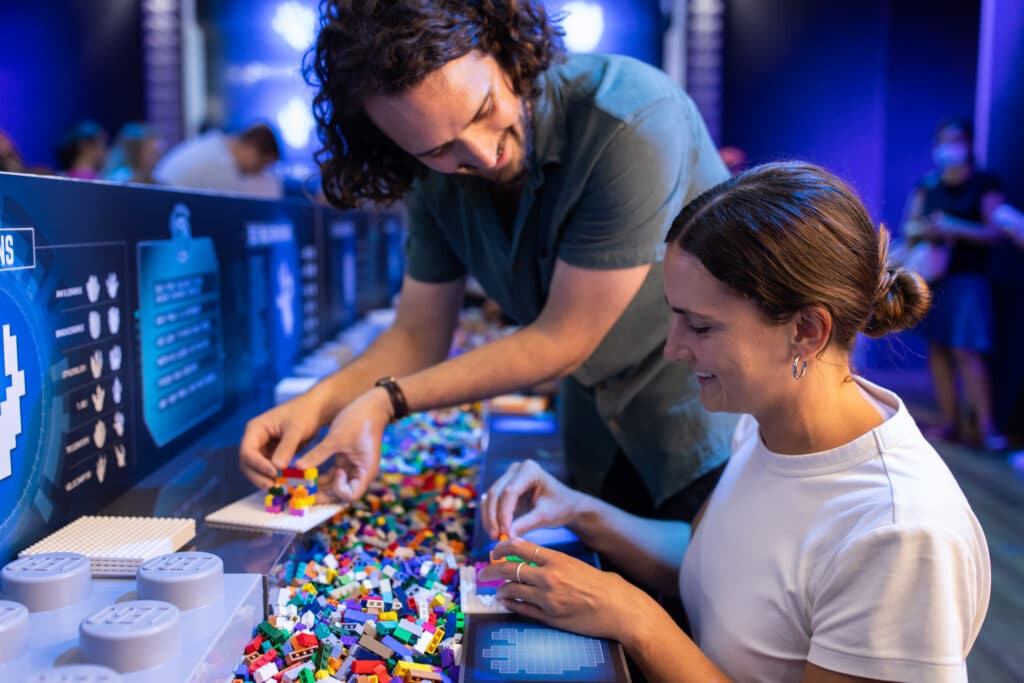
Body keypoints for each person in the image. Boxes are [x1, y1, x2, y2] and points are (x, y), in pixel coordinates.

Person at [478, 162, 990, 682]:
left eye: (700, 326)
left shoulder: (899, 534)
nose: (674, 348)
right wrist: (580, 512)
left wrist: (638, 620)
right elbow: (712, 564)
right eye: (674, 316)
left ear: (806, 332)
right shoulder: (765, 421)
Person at [239, 0, 736, 524]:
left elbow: (561, 340)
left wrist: (384, 403)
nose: (479, 154)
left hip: (701, 417)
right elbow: (416, 336)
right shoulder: (431, 181)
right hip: (596, 433)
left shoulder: (629, 119)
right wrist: (314, 406)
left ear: (502, 48)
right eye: (437, 149)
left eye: (482, 110)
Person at [901, 118, 1006, 450]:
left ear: (970, 144)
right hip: (932, 278)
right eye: (944, 141)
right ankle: (950, 422)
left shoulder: (984, 184)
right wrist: (927, 230)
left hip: (968, 279)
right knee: (938, 348)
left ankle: (986, 427)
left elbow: (996, 232)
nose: (950, 148)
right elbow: (909, 226)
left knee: (967, 350)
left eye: (956, 141)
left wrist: (954, 228)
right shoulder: (928, 185)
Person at [154, 123, 283, 198]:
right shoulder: (222, 167)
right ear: (251, 147)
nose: (259, 171)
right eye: (262, 164)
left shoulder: (215, 144)